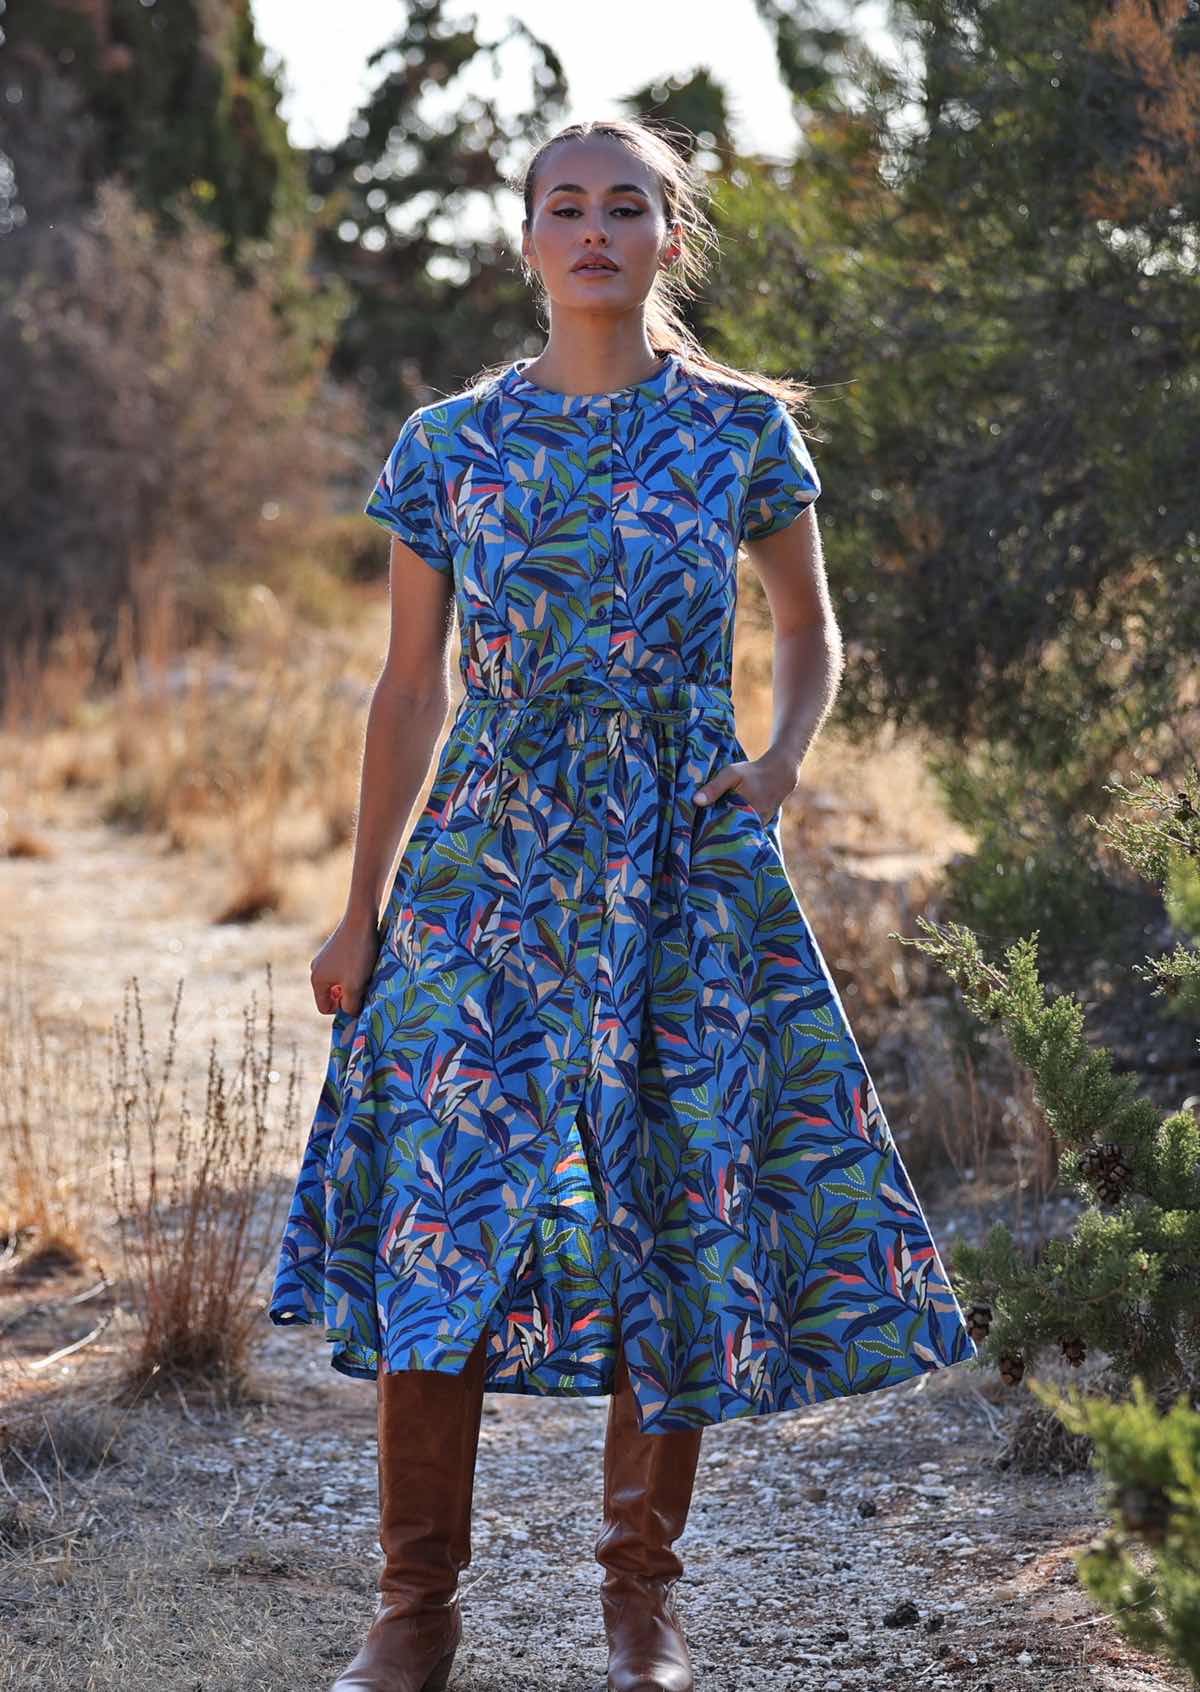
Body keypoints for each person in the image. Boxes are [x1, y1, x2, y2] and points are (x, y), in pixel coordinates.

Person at [268, 116, 979, 1692]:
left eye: (626, 206)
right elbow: (406, 693)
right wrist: (358, 909)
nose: (593, 229)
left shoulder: (737, 433)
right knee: (442, 1197)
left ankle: (640, 1598)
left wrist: (782, 761)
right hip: (490, 853)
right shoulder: (448, 444)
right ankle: (413, 1610)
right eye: (563, 206)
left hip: (681, 848)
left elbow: (809, 630)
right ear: (526, 241)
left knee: (678, 1199)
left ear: (670, 237)